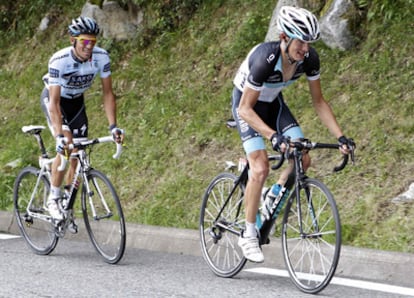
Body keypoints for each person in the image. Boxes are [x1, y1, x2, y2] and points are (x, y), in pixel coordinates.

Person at [231, 6, 354, 263]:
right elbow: (245, 108)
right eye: (301, 42)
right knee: (261, 166)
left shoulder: (309, 59)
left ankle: (273, 194)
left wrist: (341, 137)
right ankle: (249, 233)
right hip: (247, 106)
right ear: (285, 37)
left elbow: (319, 102)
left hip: (274, 104)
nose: (305, 49)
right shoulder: (265, 59)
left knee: (302, 157)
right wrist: (273, 136)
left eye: (308, 43)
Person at [40, 16, 124, 225]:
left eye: (92, 42)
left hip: (77, 103)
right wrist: (59, 135)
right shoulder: (59, 61)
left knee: (78, 156)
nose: (89, 47)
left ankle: (68, 198)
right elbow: (54, 102)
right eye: (84, 42)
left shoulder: (101, 57)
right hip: (55, 102)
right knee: (67, 147)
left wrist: (113, 126)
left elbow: (107, 94)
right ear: (73, 40)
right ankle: (53, 197)